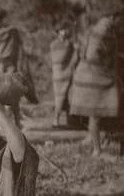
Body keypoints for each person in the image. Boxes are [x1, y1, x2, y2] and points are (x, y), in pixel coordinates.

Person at [69, 8, 120, 156]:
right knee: (95, 113)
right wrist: (108, 69)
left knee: (94, 113)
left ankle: (93, 141)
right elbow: (94, 55)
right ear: (112, 16)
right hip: (92, 75)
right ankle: (97, 150)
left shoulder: (97, 29)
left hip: (86, 73)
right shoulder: (104, 29)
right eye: (119, 19)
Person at [0, 9, 38, 125]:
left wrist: (19, 68)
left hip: (10, 68)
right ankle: (1, 123)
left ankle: (17, 122)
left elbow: (19, 52)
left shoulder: (11, 32)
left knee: (13, 96)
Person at [49, 23, 79, 127]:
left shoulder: (68, 44)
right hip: (59, 74)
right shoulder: (57, 44)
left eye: (65, 30)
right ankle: (55, 120)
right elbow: (58, 58)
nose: (64, 32)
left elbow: (73, 58)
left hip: (65, 73)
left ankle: (68, 121)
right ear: (58, 32)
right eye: (61, 30)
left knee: (66, 97)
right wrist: (76, 50)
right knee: (60, 97)